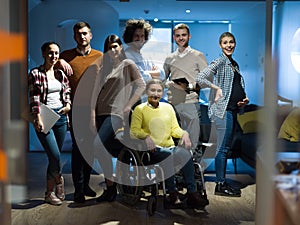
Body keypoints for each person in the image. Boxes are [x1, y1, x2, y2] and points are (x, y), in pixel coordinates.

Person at [130, 79, 209, 209]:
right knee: (167, 155)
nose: (156, 93)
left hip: (170, 147)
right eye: (152, 90)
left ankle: (192, 193)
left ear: (163, 92)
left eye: (159, 90)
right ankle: (172, 193)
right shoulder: (140, 109)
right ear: (146, 91)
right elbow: (134, 132)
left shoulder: (168, 108)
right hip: (151, 151)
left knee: (185, 153)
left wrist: (184, 134)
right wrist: (146, 136)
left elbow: (175, 129)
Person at [93, 34, 146, 202]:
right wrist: (92, 115)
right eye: (109, 48)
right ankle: (110, 188)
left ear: (121, 47)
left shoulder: (127, 64)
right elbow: (96, 94)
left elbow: (141, 85)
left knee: (98, 145)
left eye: (115, 46)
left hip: (115, 113)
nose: (113, 50)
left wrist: (129, 105)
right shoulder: (104, 68)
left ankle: (113, 182)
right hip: (100, 112)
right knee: (104, 148)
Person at [196, 32, 249, 197]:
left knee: (225, 147)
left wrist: (243, 99)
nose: (229, 45)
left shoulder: (234, 64)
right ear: (220, 45)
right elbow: (200, 77)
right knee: (223, 149)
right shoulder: (220, 61)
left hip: (233, 109)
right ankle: (220, 184)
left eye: (231, 42)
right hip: (222, 111)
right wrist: (216, 88)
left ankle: (222, 182)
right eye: (225, 43)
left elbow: (236, 87)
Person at [58, 21, 103, 203]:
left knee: (90, 150)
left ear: (90, 35)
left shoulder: (100, 56)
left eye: (85, 33)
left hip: (95, 109)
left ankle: (86, 186)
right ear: (74, 36)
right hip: (75, 109)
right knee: (78, 149)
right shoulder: (66, 56)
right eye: (78, 34)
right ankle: (78, 188)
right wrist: (60, 60)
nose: (82, 36)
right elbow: (51, 69)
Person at [28, 41, 71, 205]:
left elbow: (67, 91)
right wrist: (37, 117)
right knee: (55, 155)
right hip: (44, 117)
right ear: (44, 54)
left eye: (56, 53)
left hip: (60, 117)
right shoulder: (35, 73)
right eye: (50, 53)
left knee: (54, 157)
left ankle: (48, 194)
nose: (53, 56)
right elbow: (34, 98)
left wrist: (68, 105)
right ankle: (59, 180)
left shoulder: (61, 74)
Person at [163, 23, 209, 159]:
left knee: (193, 142)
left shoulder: (198, 55)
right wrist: (170, 84)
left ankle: (194, 176)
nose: (181, 38)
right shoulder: (169, 58)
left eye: (183, 35)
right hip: (173, 105)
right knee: (176, 143)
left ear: (189, 36)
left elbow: (207, 81)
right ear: (174, 38)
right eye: (178, 36)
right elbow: (161, 82)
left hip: (191, 104)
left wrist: (188, 86)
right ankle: (178, 176)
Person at [122, 19, 164, 86]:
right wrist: (154, 74)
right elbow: (141, 77)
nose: (140, 39)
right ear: (130, 37)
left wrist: (147, 73)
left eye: (142, 36)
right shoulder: (126, 55)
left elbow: (162, 74)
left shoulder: (146, 55)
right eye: (136, 36)